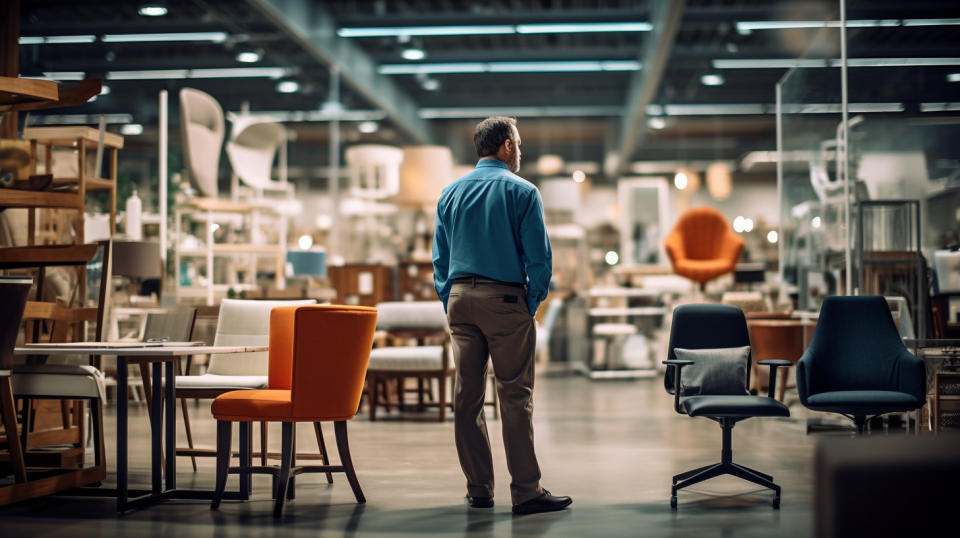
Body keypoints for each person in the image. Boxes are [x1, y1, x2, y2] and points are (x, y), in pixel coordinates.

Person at [432, 116, 572, 515]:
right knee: (514, 396)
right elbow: (539, 259)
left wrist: (451, 297)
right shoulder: (523, 192)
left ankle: (479, 489)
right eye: (520, 144)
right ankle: (526, 491)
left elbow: (439, 258)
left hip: (460, 299)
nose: (521, 152)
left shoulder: (449, 193)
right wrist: (531, 302)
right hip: (506, 300)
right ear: (506, 146)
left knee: (467, 398)